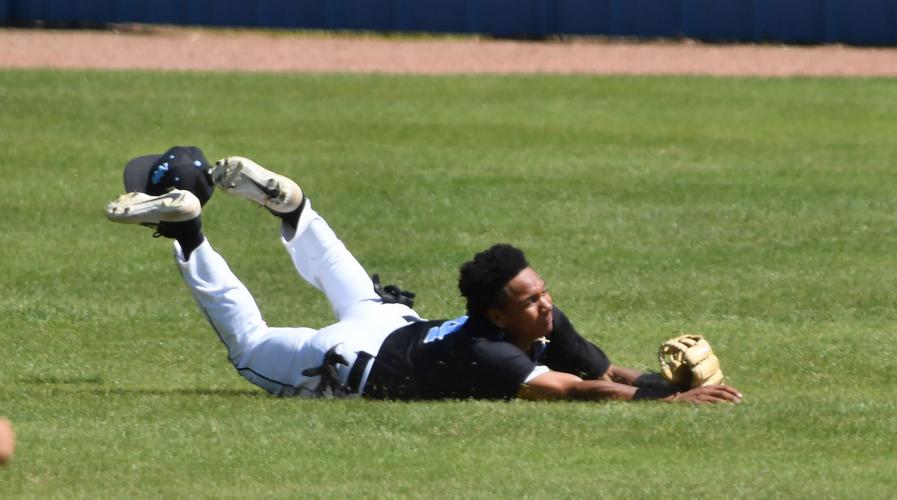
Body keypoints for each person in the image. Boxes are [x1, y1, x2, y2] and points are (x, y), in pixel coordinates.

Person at [105, 147, 742, 403]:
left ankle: (291, 206)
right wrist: (676, 404)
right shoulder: (490, 352)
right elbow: (578, 393)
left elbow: (604, 373)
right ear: (497, 313)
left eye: (543, 292)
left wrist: (661, 382)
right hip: (352, 354)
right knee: (248, 347)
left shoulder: (533, 321)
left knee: (336, 269)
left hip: (390, 321)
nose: (546, 306)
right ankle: (189, 232)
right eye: (531, 299)